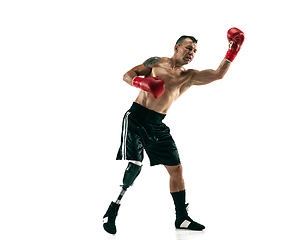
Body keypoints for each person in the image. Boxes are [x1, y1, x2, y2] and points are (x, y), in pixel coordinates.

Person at [103, 27, 245, 234]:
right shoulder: (156, 62)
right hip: (136, 118)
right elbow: (127, 75)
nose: (191, 53)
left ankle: (182, 218)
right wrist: (141, 82)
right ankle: (113, 209)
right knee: (135, 165)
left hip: (157, 124)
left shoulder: (189, 76)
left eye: (195, 51)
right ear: (176, 47)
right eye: (188, 48)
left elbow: (218, 74)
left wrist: (233, 50)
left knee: (176, 169)